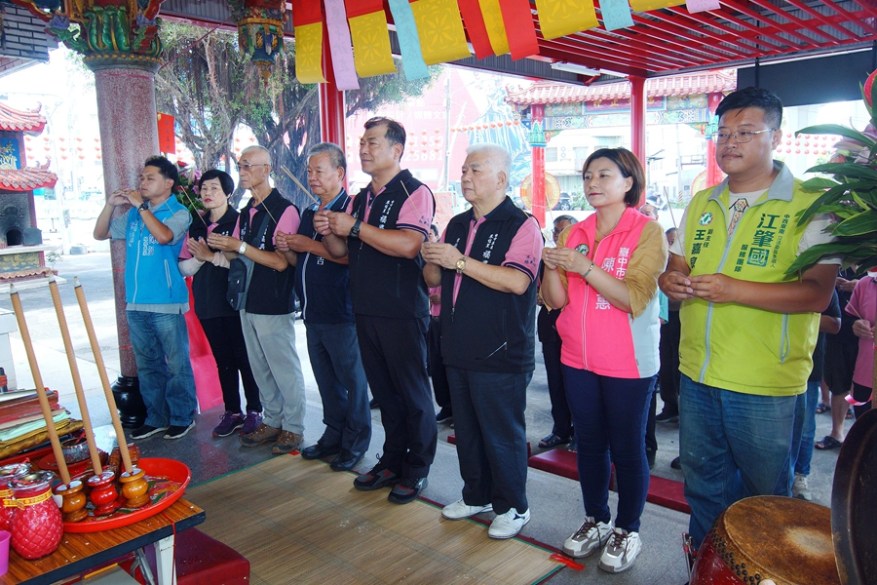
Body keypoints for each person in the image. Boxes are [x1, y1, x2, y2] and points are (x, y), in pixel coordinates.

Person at [659, 87, 837, 552]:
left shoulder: (811, 204)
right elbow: (676, 267)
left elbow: (817, 293)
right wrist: (671, 281)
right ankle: (708, 571)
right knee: (703, 488)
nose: (730, 142)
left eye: (745, 132)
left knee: (764, 501)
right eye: (723, 133)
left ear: (775, 137)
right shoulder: (703, 201)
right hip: (697, 373)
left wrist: (734, 289)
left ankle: (759, 576)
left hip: (764, 382)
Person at [542, 147, 666, 573]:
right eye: (587, 176)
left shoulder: (647, 231)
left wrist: (584, 266)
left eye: (603, 175)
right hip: (577, 358)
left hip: (628, 363)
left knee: (628, 447)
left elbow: (633, 298)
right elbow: (555, 302)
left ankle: (628, 528)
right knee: (590, 444)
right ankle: (596, 519)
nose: (592, 183)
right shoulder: (574, 232)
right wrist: (552, 267)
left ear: (628, 182)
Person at [423, 144, 543, 539]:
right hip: (457, 345)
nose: (465, 177)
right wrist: (431, 258)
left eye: (475, 170)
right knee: (468, 430)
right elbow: (434, 280)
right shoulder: (457, 224)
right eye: (464, 170)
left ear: (501, 179)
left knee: (501, 433)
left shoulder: (521, 225)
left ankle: (514, 506)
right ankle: (477, 494)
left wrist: (457, 260)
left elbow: (517, 281)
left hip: (500, 351)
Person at [315, 117, 437, 505]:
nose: (364, 150)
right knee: (384, 393)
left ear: (396, 150)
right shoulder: (361, 198)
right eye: (362, 143)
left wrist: (353, 227)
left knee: (413, 394)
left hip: (402, 310)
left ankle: (417, 468)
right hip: (365, 309)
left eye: (373, 143)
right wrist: (329, 230)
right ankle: (392, 460)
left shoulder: (414, 192)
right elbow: (343, 254)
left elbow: (409, 245)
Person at [274, 142, 371, 472]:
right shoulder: (309, 212)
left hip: (341, 310)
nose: (312, 177)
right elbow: (297, 260)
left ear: (339, 173)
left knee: (352, 381)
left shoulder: (351, 211)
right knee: (326, 381)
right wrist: (287, 247)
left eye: (319, 170)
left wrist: (307, 244)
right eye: (309, 171)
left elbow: (348, 258)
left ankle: (355, 441)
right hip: (312, 311)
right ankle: (334, 433)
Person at [206, 145, 307, 456]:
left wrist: (238, 246)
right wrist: (219, 248)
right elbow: (238, 254)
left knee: (283, 366)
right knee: (259, 366)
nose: (243, 171)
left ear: (267, 169)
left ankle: (293, 426)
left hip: (273, 300)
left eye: (248, 165)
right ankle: (272, 419)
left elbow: (281, 262)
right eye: (240, 165)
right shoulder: (247, 210)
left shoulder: (284, 209)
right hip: (246, 300)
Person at [93, 155, 197, 440]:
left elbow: (164, 237)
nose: (143, 182)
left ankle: (182, 417)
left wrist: (140, 206)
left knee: (176, 364)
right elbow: (100, 234)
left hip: (166, 301)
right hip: (136, 302)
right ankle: (156, 418)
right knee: (148, 364)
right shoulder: (133, 216)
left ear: (169, 183)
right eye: (142, 177)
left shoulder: (178, 212)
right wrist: (110, 205)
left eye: (150, 178)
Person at [178, 170, 262, 438]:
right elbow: (184, 267)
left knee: (244, 357)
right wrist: (201, 257)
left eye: (214, 188)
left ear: (228, 193)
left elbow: (244, 263)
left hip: (235, 302)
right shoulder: (197, 224)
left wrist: (211, 256)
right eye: (204, 188)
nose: (207, 193)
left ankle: (255, 410)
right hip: (207, 302)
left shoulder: (238, 221)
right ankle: (232, 411)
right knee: (223, 360)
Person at [789, 290, 840, 500]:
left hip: (807, 368)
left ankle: (800, 475)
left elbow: (835, 323)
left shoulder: (818, 284)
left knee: (805, 427)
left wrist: (792, 311)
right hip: (767, 368)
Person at [537, 215, 577, 450]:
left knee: (577, 384)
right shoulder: (548, 257)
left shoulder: (581, 258)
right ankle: (560, 429)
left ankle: (580, 433)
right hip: (550, 326)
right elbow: (539, 292)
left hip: (574, 329)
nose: (558, 234)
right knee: (556, 381)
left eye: (563, 230)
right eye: (555, 230)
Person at [815, 267, 859, 450]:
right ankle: (837, 433)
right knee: (838, 383)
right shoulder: (837, 265)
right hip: (839, 333)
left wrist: (860, 286)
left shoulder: (870, 268)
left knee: (863, 387)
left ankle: (862, 440)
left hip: (868, 337)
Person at [426, 224, 453, 425]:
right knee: (436, 366)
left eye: (430, 235)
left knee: (451, 367)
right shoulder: (429, 260)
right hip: (433, 318)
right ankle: (445, 406)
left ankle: (457, 410)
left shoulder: (449, 257)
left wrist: (443, 298)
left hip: (449, 319)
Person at [845, 271, 876, 419]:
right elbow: (847, 319)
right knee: (864, 427)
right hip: (865, 376)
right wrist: (854, 325)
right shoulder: (865, 283)